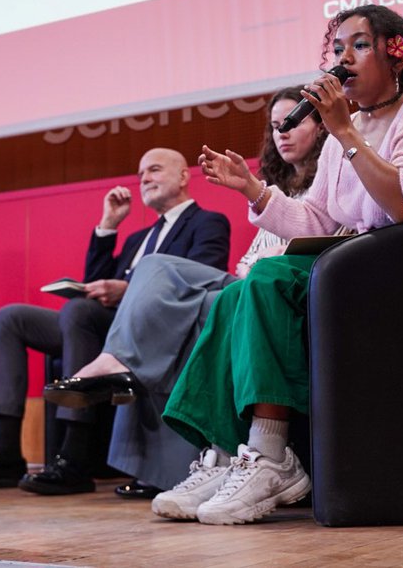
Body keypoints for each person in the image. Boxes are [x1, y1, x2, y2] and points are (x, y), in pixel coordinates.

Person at [157, 4, 403, 525]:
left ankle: (273, 454)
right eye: (338, 48)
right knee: (238, 289)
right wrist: (254, 188)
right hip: (351, 274)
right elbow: (316, 217)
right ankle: (232, 451)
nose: (343, 58)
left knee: (272, 276)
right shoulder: (349, 129)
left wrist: (344, 133)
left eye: (358, 45)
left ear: (397, 53)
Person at [42, 87, 326, 499]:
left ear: (321, 129)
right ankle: (213, 458)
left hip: (274, 288)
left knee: (157, 272)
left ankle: (115, 364)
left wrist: (255, 266)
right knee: (122, 308)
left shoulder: (315, 190)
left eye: (294, 122)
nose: (282, 132)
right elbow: (249, 259)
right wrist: (107, 227)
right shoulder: (273, 193)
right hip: (245, 286)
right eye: (275, 125)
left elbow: (226, 268)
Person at [0, 148, 231, 495]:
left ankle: (74, 458)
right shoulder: (137, 238)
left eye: (154, 170)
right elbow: (94, 284)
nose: (144, 179)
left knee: (78, 314)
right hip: (101, 325)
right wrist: (108, 226)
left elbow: (199, 280)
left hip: (153, 329)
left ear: (183, 176)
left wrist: (126, 290)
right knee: (11, 317)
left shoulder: (208, 222)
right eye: (139, 175)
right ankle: (5, 452)